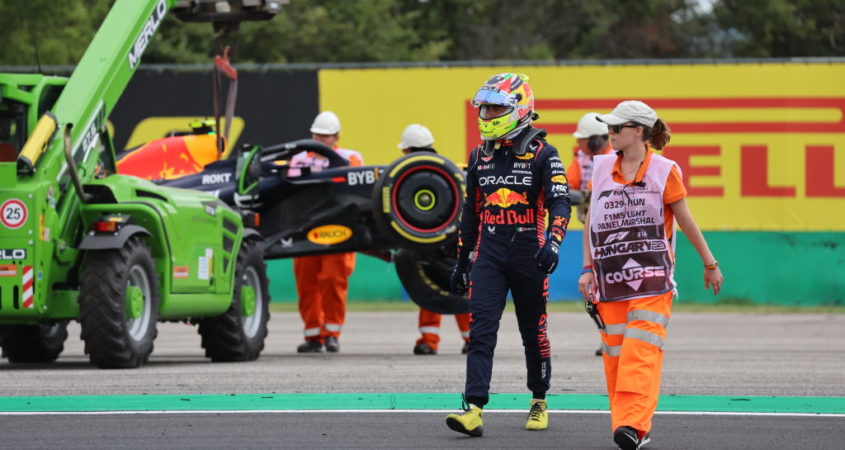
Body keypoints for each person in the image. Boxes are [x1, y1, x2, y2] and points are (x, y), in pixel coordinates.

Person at [577, 101, 723, 450]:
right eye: (608, 129)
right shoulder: (599, 169)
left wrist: (710, 263)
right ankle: (628, 424)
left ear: (639, 131)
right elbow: (590, 223)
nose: (609, 134)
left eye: (616, 129)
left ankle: (632, 425)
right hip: (609, 282)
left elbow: (685, 219)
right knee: (614, 356)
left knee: (639, 353)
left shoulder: (664, 170)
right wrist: (586, 269)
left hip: (652, 281)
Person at [445, 73, 571, 436]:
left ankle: (539, 400)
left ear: (520, 109)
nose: (487, 113)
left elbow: (562, 202)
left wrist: (554, 243)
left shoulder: (545, 153)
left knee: (534, 332)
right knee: (480, 331)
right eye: (484, 107)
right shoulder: (478, 155)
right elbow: (472, 211)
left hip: (529, 252)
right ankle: (474, 408)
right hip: (490, 253)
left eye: (496, 107)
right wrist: (461, 260)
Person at [290, 111, 363, 353]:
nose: (320, 140)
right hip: (304, 230)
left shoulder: (351, 157)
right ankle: (313, 335)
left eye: (326, 136)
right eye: (317, 135)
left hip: (338, 231)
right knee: (306, 284)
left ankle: (332, 333)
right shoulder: (298, 159)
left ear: (336, 137)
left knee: (333, 281)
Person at [397, 124, 472, 356]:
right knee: (460, 288)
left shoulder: (406, 174)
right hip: (457, 239)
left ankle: (428, 341)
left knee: (429, 291)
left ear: (408, 150)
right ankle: (473, 340)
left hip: (428, 241)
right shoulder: (454, 168)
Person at [568, 112, 613, 357]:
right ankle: (609, 337)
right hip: (593, 233)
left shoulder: (613, 159)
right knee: (597, 291)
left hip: (611, 233)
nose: (579, 145)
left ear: (594, 141)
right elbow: (568, 184)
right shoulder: (582, 160)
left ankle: (614, 337)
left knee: (608, 288)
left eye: (582, 140)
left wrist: (584, 194)